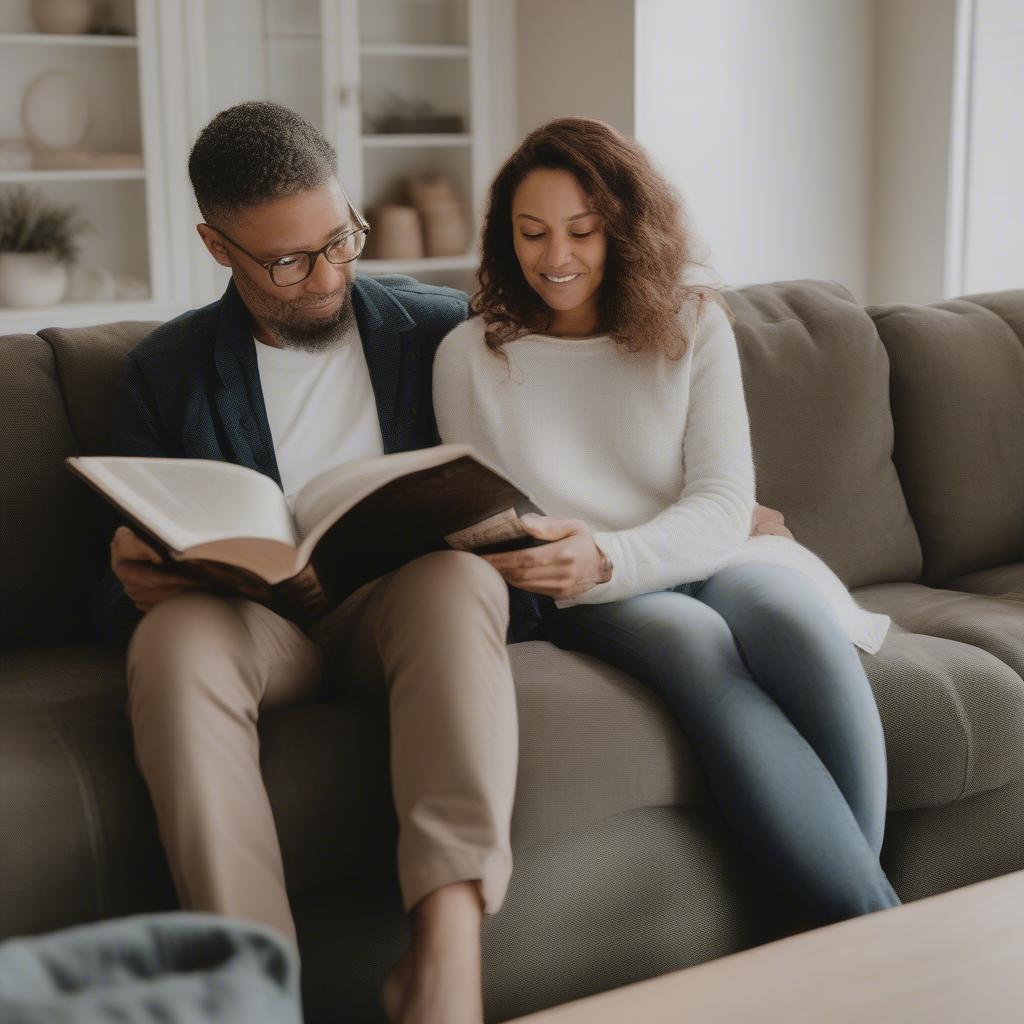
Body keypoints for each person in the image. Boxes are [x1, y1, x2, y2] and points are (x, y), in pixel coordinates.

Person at [97, 101, 511, 1024]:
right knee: (172, 641)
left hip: (391, 611)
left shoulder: (442, 328)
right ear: (217, 246)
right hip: (254, 630)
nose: (324, 277)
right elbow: (113, 579)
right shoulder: (164, 372)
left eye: (340, 239)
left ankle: (445, 961)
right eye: (287, 261)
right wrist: (134, 570)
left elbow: (549, 464)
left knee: (458, 581)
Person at [433, 117, 902, 926]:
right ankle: (877, 928)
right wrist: (557, 563)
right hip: (591, 593)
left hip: (707, 550)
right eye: (531, 232)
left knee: (795, 620)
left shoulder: (690, 323)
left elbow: (724, 503)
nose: (555, 258)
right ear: (503, 236)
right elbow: (481, 515)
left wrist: (611, 553)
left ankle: (857, 926)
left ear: (624, 226)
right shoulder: (470, 355)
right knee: (695, 641)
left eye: (582, 231)